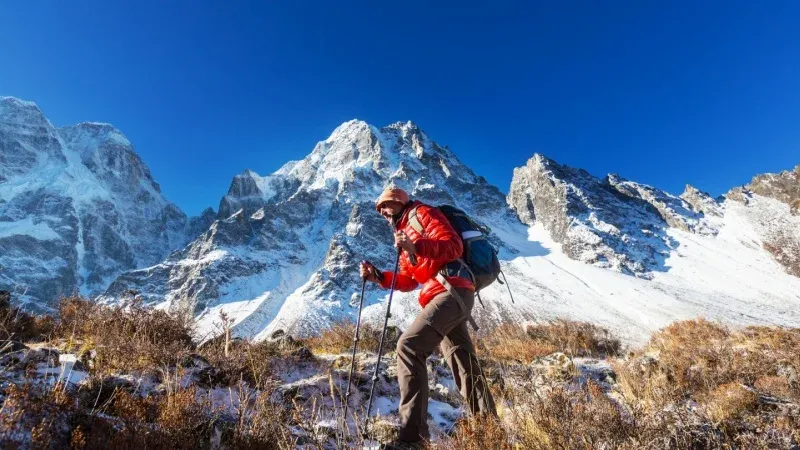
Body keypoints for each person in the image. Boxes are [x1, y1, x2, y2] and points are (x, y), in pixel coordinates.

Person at [360, 187, 497, 450]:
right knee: (462, 362)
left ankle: (414, 440)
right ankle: (490, 431)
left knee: (409, 346)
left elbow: (453, 246)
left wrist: (416, 245)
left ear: (399, 202)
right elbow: (410, 280)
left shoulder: (423, 214)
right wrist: (379, 277)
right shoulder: (403, 234)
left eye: (386, 206)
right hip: (442, 294)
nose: (383, 212)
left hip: (451, 290)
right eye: (380, 210)